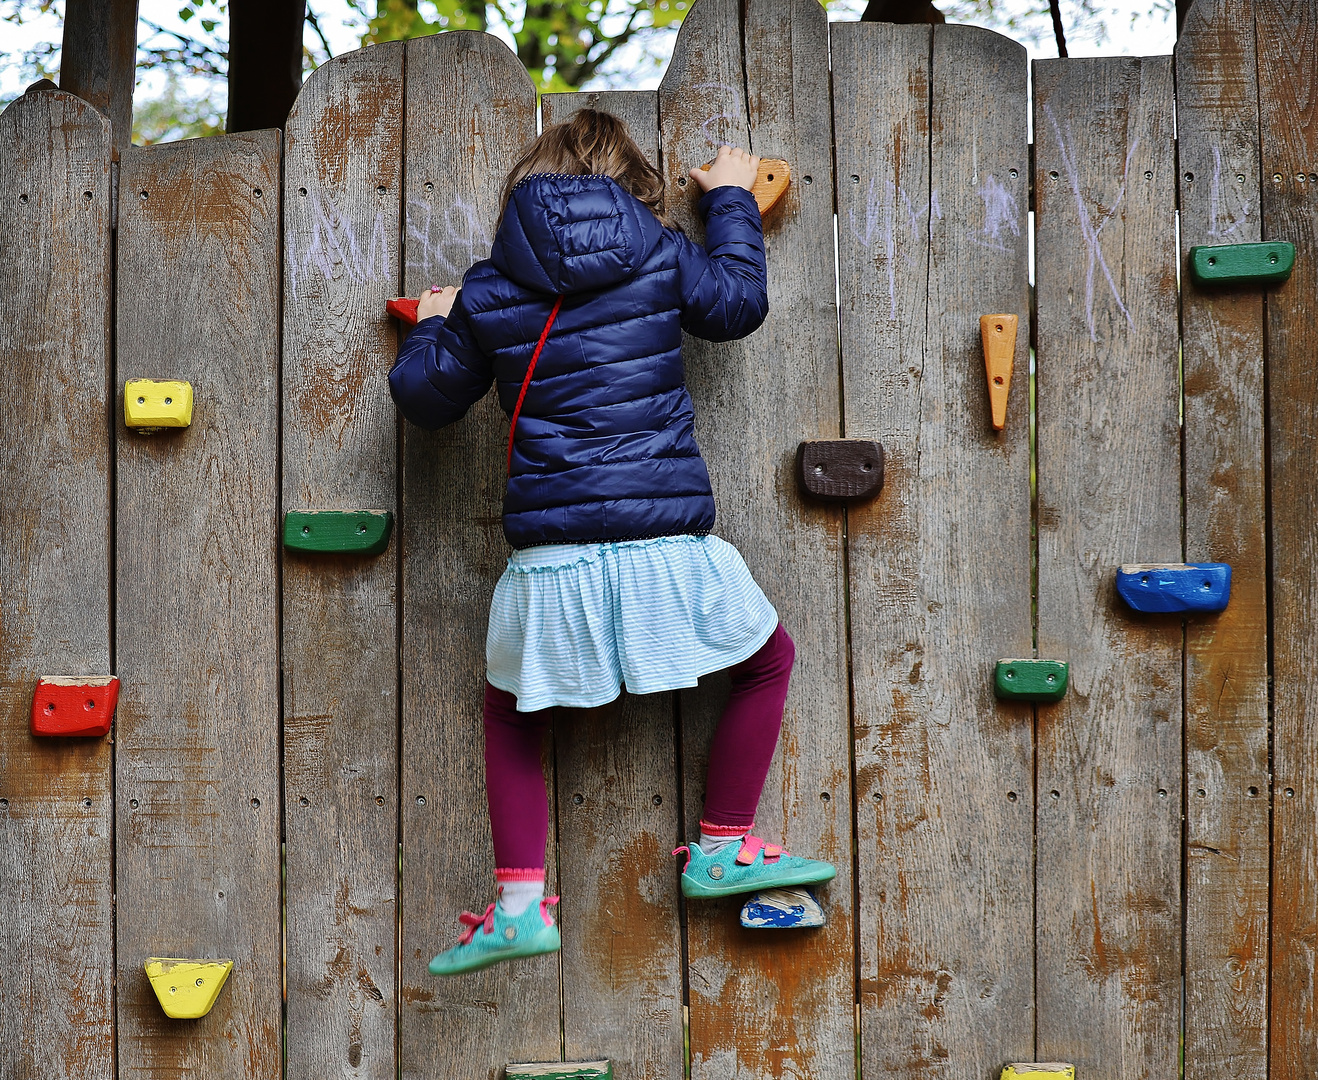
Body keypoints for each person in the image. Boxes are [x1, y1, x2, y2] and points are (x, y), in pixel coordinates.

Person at [389, 109, 835, 976]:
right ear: (635, 184)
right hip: (666, 539)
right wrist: (733, 201)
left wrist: (435, 325)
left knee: (513, 712)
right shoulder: (663, 252)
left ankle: (519, 905)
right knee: (767, 662)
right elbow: (738, 304)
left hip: (552, 559)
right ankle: (721, 848)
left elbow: (427, 400)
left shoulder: (486, 289)